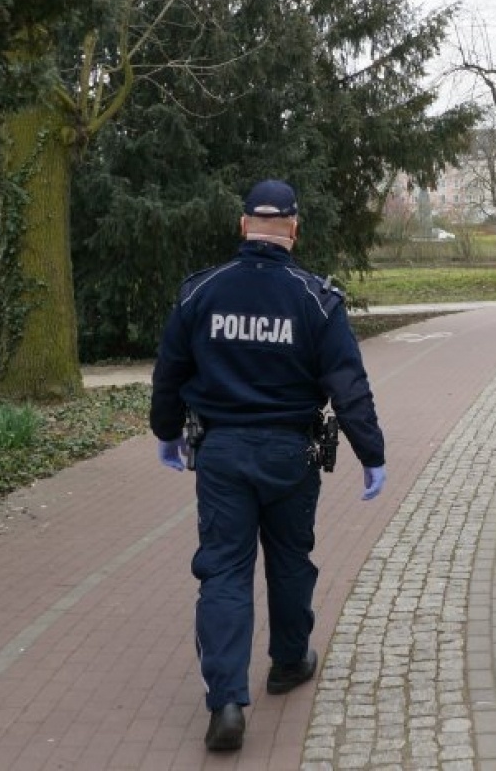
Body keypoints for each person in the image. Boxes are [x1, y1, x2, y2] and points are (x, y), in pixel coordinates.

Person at [150, 179, 388, 752]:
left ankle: (227, 702)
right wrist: (372, 454)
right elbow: (348, 385)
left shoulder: (200, 292)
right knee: (289, 559)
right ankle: (287, 662)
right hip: (290, 453)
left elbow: (170, 372)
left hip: (222, 454)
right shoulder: (315, 298)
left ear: (242, 226)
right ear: (295, 228)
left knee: (225, 571)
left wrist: (164, 433)